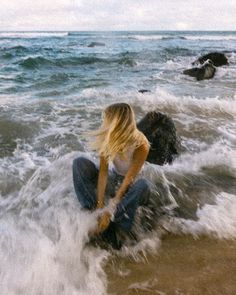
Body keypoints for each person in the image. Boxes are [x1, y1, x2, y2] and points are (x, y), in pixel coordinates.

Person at [72, 103, 152, 248]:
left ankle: (118, 229)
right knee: (79, 163)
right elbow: (103, 173)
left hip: (133, 184)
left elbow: (129, 179)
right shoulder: (108, 138)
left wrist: (109, 211)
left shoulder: (141, 144)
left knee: (143, 185)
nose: (104, 123)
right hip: (114, 177)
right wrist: (100, 205)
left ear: (117, 122)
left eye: (107, 120)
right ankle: (93, 212)